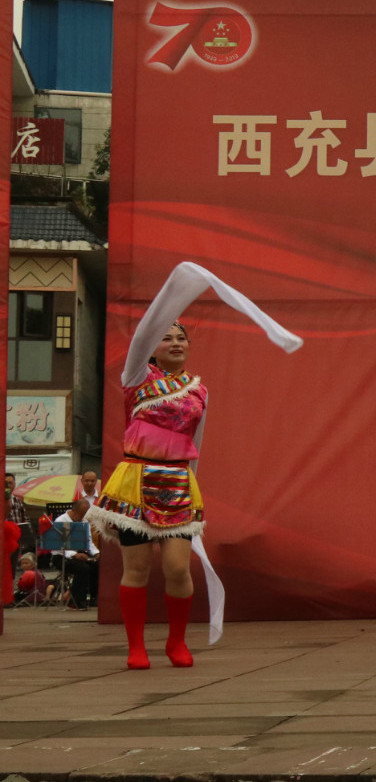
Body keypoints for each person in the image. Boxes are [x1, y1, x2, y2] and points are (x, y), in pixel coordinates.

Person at [87, 262, 301, 669]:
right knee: (137, 569)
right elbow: (143, 334)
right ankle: (136, 647)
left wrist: (192, 485)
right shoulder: (136, 377)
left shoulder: (199, 390)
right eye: (165, 337)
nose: (174, 342)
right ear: (152, 346)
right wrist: (181, 289)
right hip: (135, 481)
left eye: (181, 337)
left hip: (177, 483)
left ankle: (176, 642)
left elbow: (195, 444)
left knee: (177, 569)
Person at [54, 498, 100, 608]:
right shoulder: (61, 521)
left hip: (79, 554)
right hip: (62, 556)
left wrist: (96, 553)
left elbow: (88, 542)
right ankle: (76, 600)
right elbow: (58, 545)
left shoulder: (83, 522)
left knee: (98, 565)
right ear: (74, 510)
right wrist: (74, 554)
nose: (82, 517)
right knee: (83, 569)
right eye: (81, 514)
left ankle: (93, 597)